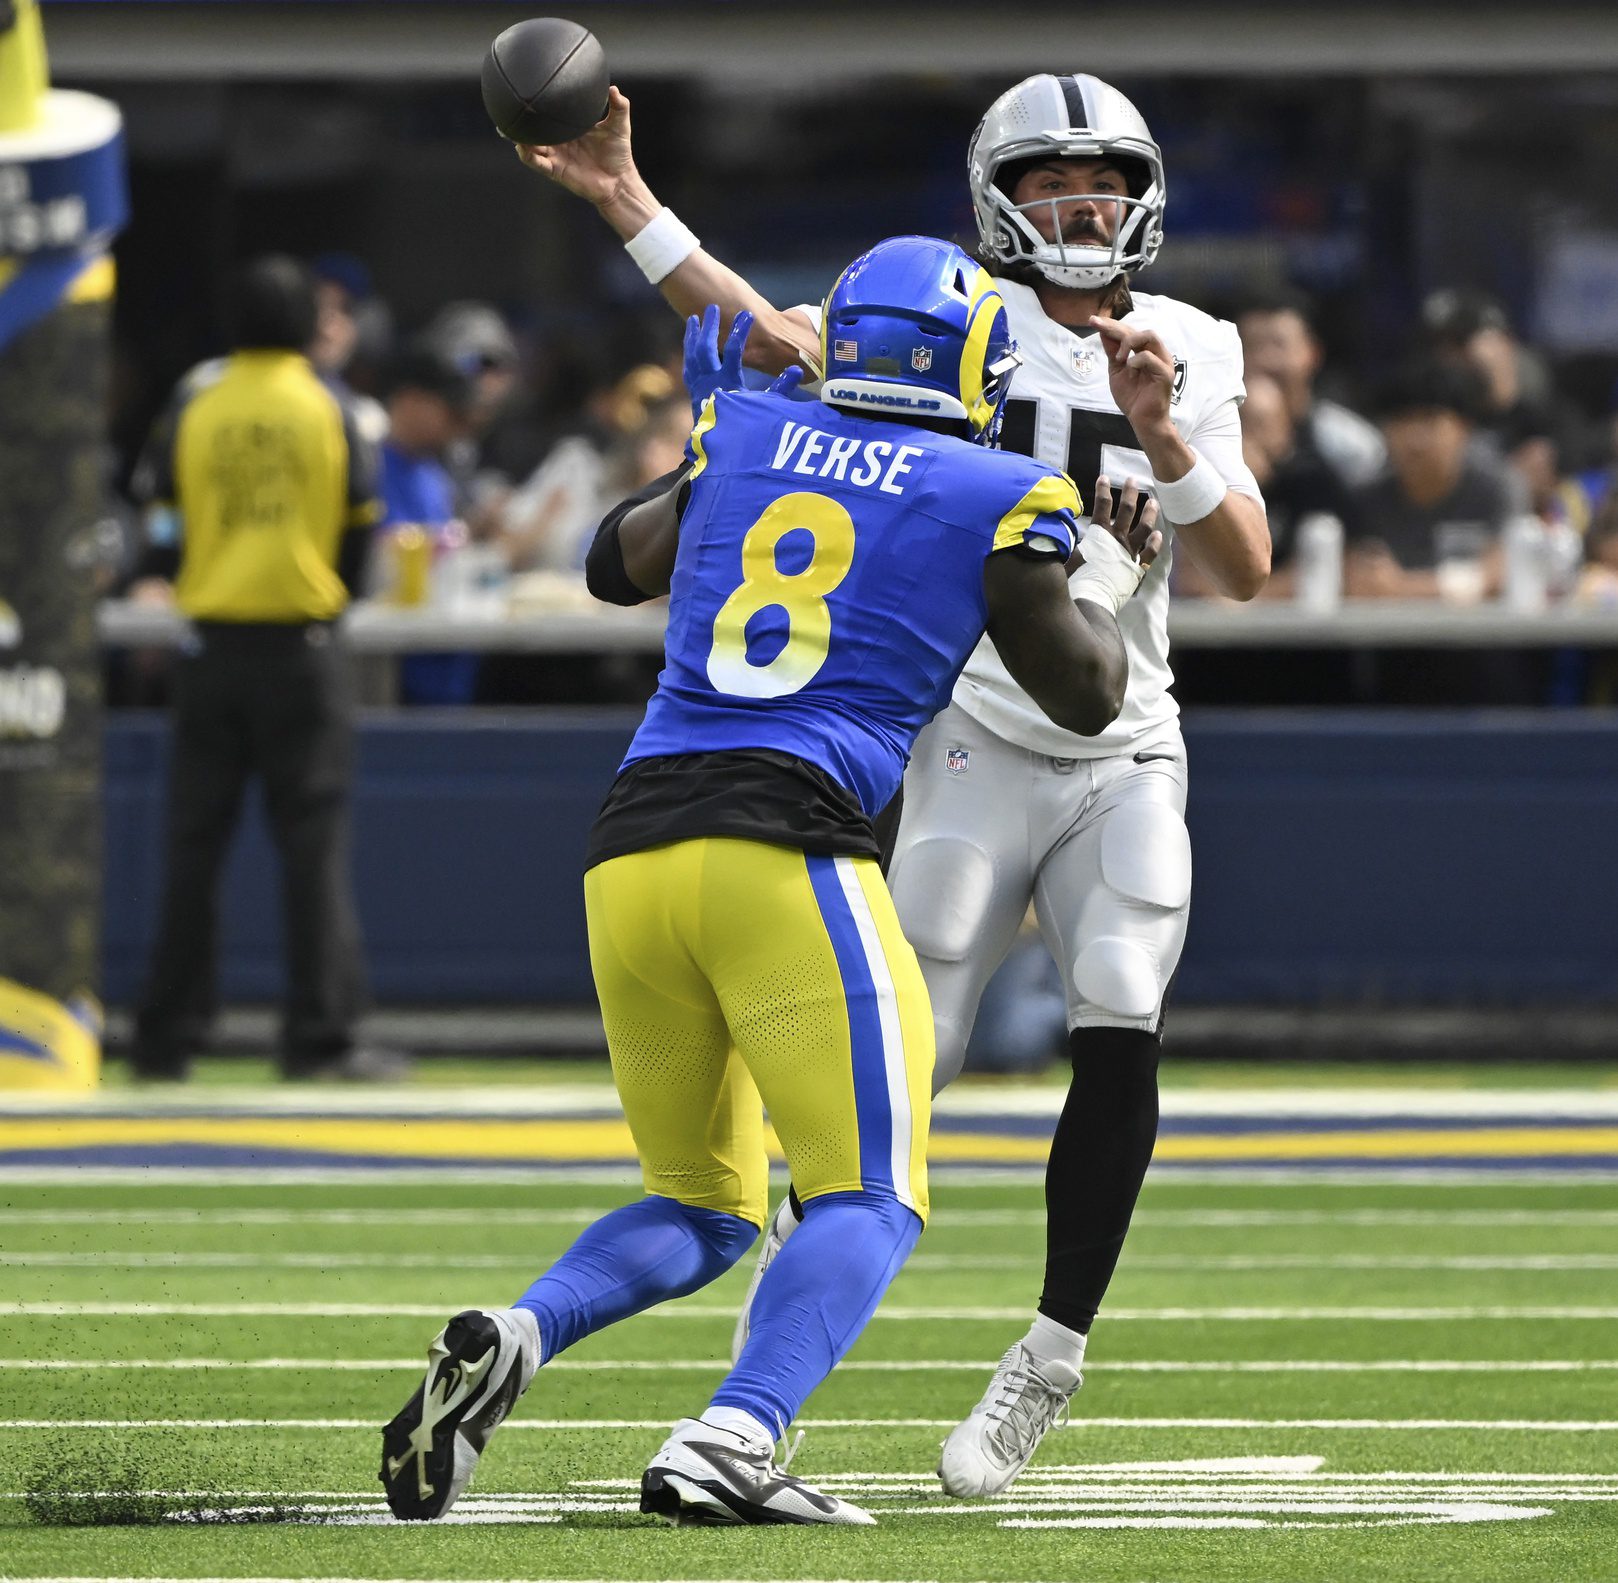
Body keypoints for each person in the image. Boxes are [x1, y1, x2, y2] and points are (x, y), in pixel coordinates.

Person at [519, 70, 1269, 1498]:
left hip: (1126, 732)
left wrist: (1162, 433)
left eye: (1098, 179)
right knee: (887, 1073)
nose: (1078, 205)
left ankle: (1046, 1353)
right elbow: (764, 331)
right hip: (976, 730)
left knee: (1119, 999)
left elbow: (1240, 565)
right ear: (996, 202)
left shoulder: (1187, 343)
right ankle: (762, 1397)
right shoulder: (951, 330)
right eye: (1047, 182)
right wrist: (628, 200)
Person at [378, 237, 1158, 1528]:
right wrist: (1117, 577)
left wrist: (718, 422)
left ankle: (519, 1331)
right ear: (969, 364)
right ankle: (735, 1434)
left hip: (633, 849)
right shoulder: (1000, 489)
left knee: (703, 1204)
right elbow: (1083, 694)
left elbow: (605, 563)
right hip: (788, 843)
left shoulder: (742, 434)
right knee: (872, 1188)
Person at [127, 256, 402, 1082]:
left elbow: (160, 508)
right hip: (302, 651)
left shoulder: (195, 399)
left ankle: (165, 1039)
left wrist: (187, 567)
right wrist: (330, 594)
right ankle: (318, 1039)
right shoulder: (329, 405)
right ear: (303, 323)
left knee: (191, 849)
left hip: (209, 648)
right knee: (313, 851)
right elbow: (361, 523)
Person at [1346, 359, 1515, 600]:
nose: (1414, 437)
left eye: (1429, 419)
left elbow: (1500, 574)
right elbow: (1353, 578)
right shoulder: (1365, 499)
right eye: (1402, 420)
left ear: (1464, 427)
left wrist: (1402, 587)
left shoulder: (1497, 489)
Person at [1236, 285, 1385, 490]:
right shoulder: (1204, 438)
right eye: (1252, 346)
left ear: (1312, 354)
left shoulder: (1351, 447)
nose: (1265, 360)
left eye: (1279, 345)